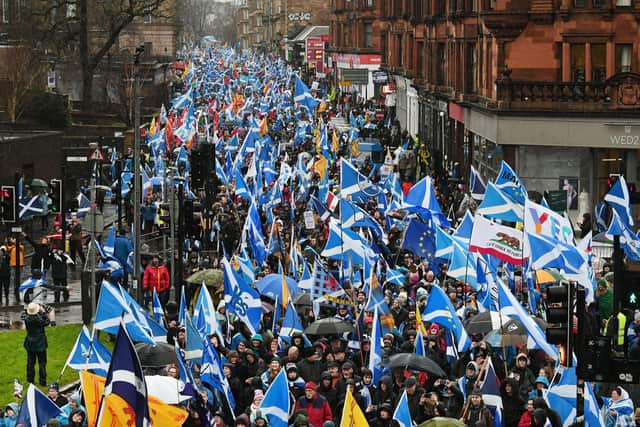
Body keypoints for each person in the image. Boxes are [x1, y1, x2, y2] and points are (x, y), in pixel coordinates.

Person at [21, 302, 52, 386]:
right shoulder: (39, 319)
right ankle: (43, 381)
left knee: (30, 363)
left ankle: (30, 380)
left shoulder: (27, 319)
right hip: (40, 343)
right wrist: (44, 313)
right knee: (42, 362)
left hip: (30, 343)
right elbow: (47, 322)